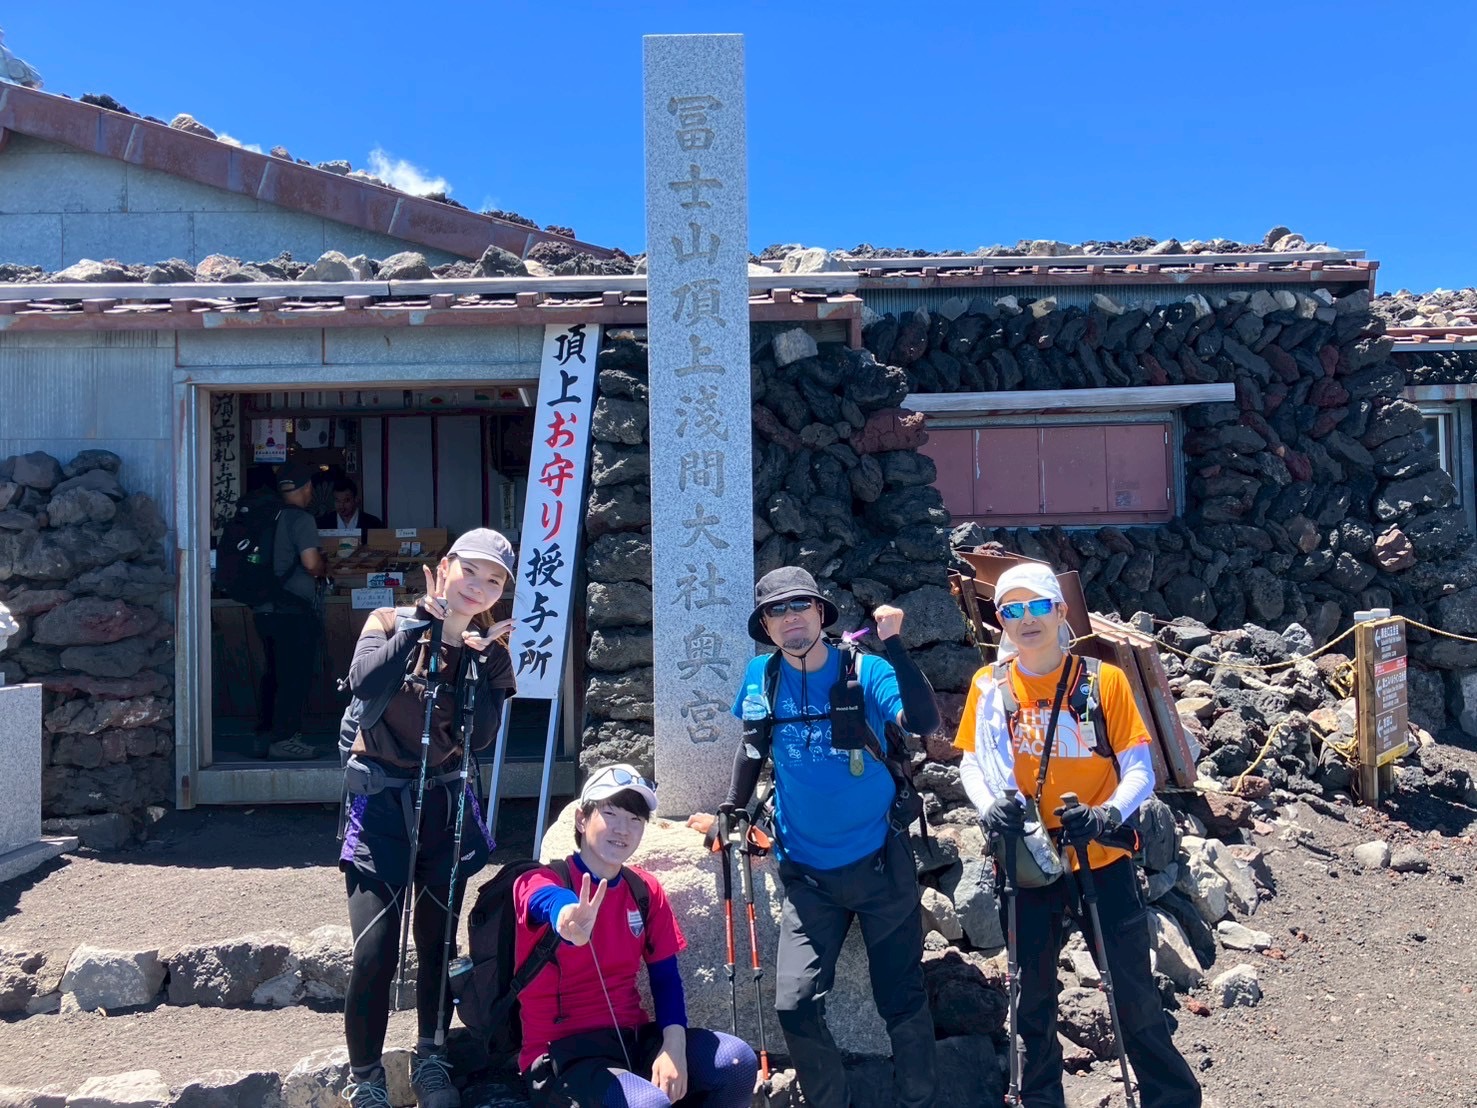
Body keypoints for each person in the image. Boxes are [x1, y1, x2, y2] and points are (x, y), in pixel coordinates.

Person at [954, 562, 1202, 1108]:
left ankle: (1172, 1099)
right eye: (1011, 610)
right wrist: (991, 805)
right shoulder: (989, 687)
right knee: (1032, 996)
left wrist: (1108, 815)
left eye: (1038, 606)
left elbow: (1140, 768)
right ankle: (1043, 1100)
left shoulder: (1101, 680)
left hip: (1101, 857)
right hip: (1025, 860)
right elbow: (973, 762)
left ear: (1061, 612)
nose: (1026, 620)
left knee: (1133, 991)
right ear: (1000, 621)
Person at [717, 566, 941, 1108]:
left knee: (902, 997)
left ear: (821, 613)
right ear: (766, 625)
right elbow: (752, 747)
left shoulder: (865, 669)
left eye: (800, 606)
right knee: (794, 1003)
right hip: (807, 874)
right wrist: (733, 808)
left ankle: (918, 1100)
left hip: (880, 864)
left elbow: (924, 720)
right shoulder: (761, 675)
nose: (790, 618)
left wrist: (898, 647)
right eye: (777, 610)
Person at [339, 528, 519, 1108]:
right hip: (382, 803)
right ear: (445, 567)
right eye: (472, 572)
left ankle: (432, 1056)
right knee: (374, 950)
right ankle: (365, 1079)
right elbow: (365, 681)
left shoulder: (486, 646)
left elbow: (481, 737)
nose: (480, 587)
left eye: (494, 581)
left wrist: (486, 666)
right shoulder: (390, 623)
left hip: (444, 802)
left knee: (438, 941)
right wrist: (424, 625)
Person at [513, 764, 758, 1108]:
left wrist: (673, 1046)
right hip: (560, 1056)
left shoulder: (643, 890)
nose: (622, 829)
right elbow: (541, 900)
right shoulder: (544, 880)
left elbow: (665, 976)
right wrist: (566, 917)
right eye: (610, 813)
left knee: (736, 1061)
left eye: (635, 819)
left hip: (630, 1039)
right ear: (582, 820)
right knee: (648, 1104)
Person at [252, 460, 326, 760]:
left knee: (272, 674)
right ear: (308, 488)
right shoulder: (300, 520)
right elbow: (310, 563)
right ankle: (286, 739)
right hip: (293, 611)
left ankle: (264, 736)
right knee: (294, 676)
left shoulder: (266, 515)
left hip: (263, 609)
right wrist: (323, 566)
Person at [319, 476, 385, 542]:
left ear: (356, 499)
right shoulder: (324, 523)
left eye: (346, 500)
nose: (341, 506)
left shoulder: (373, 523)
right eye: (337, 501)